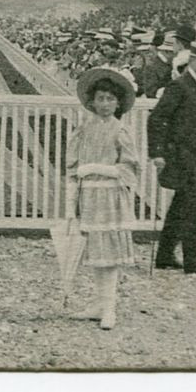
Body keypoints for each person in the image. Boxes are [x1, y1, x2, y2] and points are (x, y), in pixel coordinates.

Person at [65, 68, 141, 330]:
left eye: (110, 99)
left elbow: (130, 169)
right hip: (89, 197)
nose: (105, 104)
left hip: (110, 197)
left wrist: (97, 168)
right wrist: (72, 191)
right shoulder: (83, 129)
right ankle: (99, 303)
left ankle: (110, 308)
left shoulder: (121, 130)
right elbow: (72, 166)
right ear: (92, 101)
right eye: (100, 99)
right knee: (96, 252)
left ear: (118, 102)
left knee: (109, 254)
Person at [147, 39, 196, 275]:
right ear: (194, 61)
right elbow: (157, 118)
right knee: (192, 209)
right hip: (180, 156)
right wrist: (158, 153)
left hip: (193, 157)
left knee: (180, 207)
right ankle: (193, 261)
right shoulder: (179, 86)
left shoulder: (195, 87)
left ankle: (165, 255)